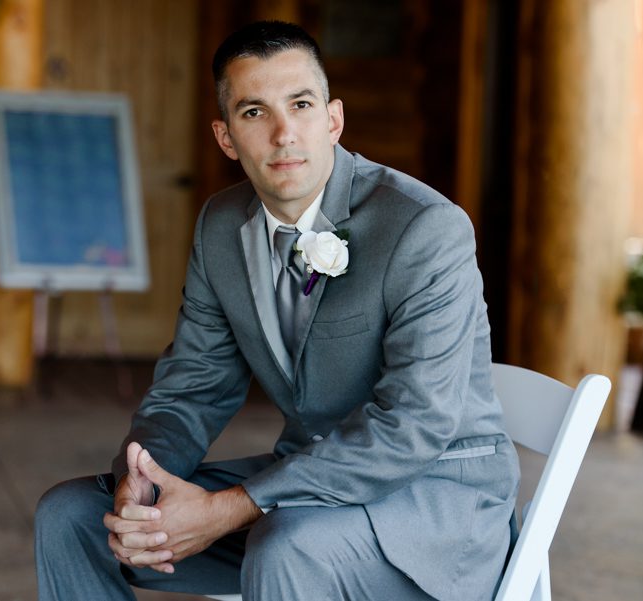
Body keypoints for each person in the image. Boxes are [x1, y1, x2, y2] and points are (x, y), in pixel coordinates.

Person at [35, 20, 519, 601]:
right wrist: (140, 483)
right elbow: (194, 385)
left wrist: (234, 507)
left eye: (301, 105)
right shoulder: (221, 226)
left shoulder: (424, 227)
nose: (284, 134)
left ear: (333, 120)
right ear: (225, 137)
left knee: (284, 546)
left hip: (432, 505)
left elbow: (414, 424)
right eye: (254, 112)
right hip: (303, 496)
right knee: (73, 517)